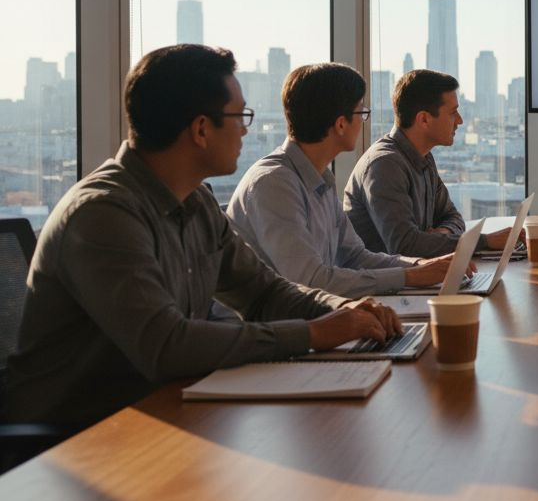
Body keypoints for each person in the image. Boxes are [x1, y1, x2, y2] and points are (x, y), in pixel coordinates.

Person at [4, 45, 400, 428]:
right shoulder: (102, 214)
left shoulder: (196, 203)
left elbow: (264, 293)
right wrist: (315, 332)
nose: (247, 130)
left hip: (166, 413)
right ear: (200, 129)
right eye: (239, 116)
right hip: (73, 443)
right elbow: (167, 346)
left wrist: (346, 312)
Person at [227, 63, 463, 297]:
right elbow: (310, 281)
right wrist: (410, 277)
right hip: (280, 327)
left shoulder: (319, 180)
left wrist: (420, 266)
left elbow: (355, 257)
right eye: (361, 112)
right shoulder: (273, 183)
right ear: (341, 124)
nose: (363, 121)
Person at [344, 70, 514, 258]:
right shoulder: (384, 165)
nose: (459, 121)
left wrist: (443, 234)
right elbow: (406, 246)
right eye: (452, 113)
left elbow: (453, 217)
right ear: (424, 119)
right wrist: (485, 242)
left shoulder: (423, 158)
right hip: (385, 285)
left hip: (414, 279)